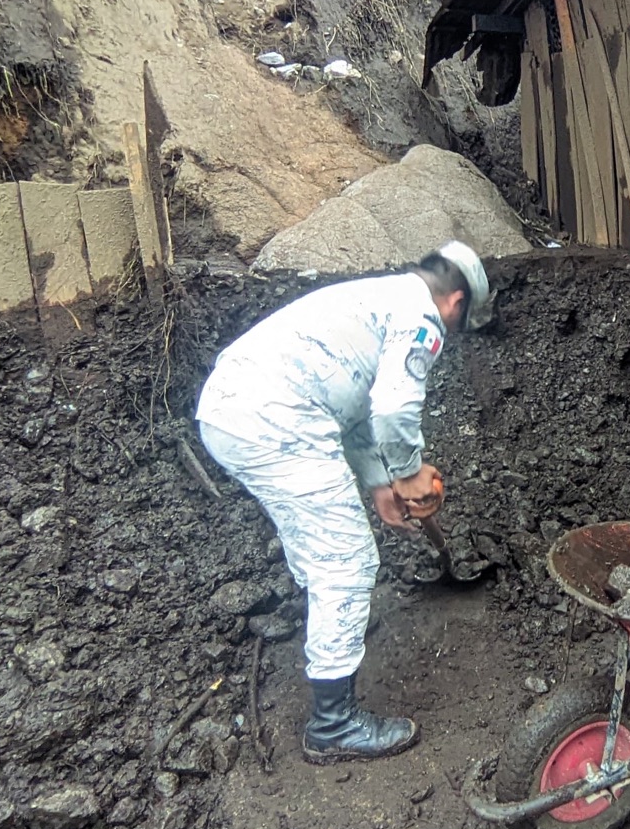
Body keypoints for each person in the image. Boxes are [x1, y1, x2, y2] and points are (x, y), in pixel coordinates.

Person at [195, 243, 492, 763]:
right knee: (347, 560)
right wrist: (409, 474)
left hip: (233, 410)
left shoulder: (379, 297)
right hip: (276, 420)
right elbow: (394, 408)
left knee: (318, 538)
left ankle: (335, 625)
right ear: (457, 302)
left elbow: (355, 403)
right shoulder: (423, 319)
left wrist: (379, 483)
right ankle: (332, 725)